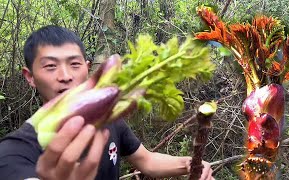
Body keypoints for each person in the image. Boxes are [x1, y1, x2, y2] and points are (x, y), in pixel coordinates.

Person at [0, 25, 214, 180]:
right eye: (50, 66)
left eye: (74, 64)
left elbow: (147, 161)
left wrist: (189, 163)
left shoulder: (110, 121)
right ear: (30, 77)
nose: (65, 75)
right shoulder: (13, 151)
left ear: (88, 68)